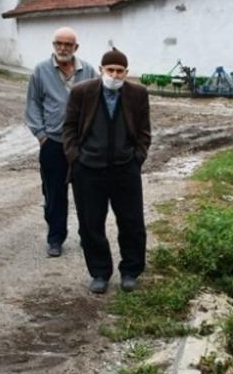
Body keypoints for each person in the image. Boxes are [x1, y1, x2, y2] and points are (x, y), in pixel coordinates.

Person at [62, 48, 151, 295]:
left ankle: (131, 271)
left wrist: (137, 159)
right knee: (91, 224)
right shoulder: (82, 92)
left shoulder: (138, 94)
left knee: (132, 223)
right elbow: (68, 128)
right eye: (109, 70)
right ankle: (100, 272)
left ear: (126, 73)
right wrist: (75, 159)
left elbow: (144, 131)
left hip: (125, 169)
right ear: (101, 70)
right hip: (88, 170)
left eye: (119, 71)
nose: (114, 75)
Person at [24, 27, 97, 258]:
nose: (63, 48)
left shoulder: (89, 71)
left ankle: (88, 236)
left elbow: (97, 105)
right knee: (54, 194)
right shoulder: (41, 71)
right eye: (59, 43)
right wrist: (41, 135)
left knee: (86, 192)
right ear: (53, 45)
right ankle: (55, 238)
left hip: (82, 144)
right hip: (53, 143)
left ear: (76, 48)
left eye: (68, 44)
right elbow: (33, 104)